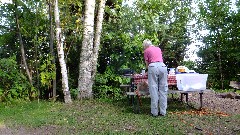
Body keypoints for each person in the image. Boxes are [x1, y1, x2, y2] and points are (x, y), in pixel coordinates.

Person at [143, 39, 168, 117]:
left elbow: (147, 64)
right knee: (163, 89)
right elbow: (159, 59)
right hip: (163, 66)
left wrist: (147, 71)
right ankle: (163, 112)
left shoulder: (146, 51)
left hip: (153, 66)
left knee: (153, 89)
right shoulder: (158, 49)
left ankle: (154, 112)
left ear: (145, 46)